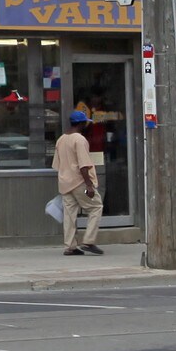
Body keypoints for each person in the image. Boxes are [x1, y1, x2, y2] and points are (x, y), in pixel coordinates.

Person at [53, 110, 103, 256]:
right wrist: (89, 185)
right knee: (96, 207)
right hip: (80, 183)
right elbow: (83, 165)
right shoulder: (80, 140)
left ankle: (70, 246)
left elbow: (57, 164)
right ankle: (88, 241)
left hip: (65, 183)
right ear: (81, 123)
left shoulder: (61, 139)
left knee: (69, 214)